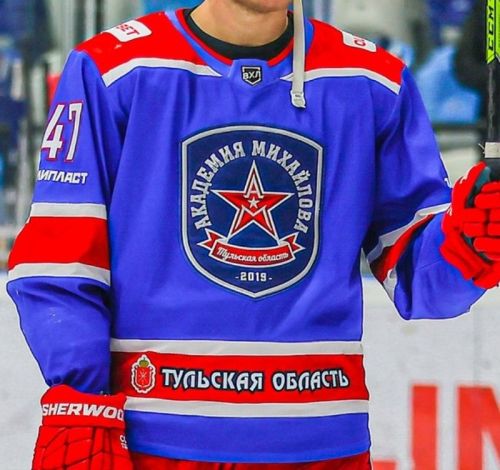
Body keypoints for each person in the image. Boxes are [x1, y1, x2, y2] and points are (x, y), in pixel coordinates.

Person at [6, 0, 500, 469]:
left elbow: (421, 278)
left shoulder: (373, 81)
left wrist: (471, 240)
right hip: (152, 439)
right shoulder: (111, 70)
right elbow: (61, 259)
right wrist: (82, 402)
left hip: (321, 443)